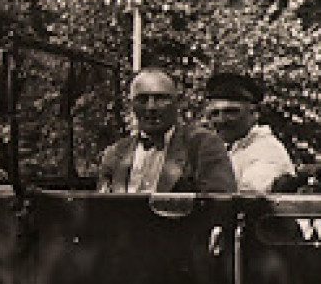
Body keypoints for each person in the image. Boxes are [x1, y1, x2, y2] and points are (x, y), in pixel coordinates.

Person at [98, 68, 236, 193]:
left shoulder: (202, 146)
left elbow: (220, 207)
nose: (151, 107)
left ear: (178, 102)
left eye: (160, 98)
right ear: (131, 104)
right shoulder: (115, 154)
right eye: (142, 99)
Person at [203, 71, 296, 194]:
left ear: (254, 113)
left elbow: (247, 198)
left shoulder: (266, 150)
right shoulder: (228, 148)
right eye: (214, 113)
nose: (221, 120)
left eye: (231, 112)